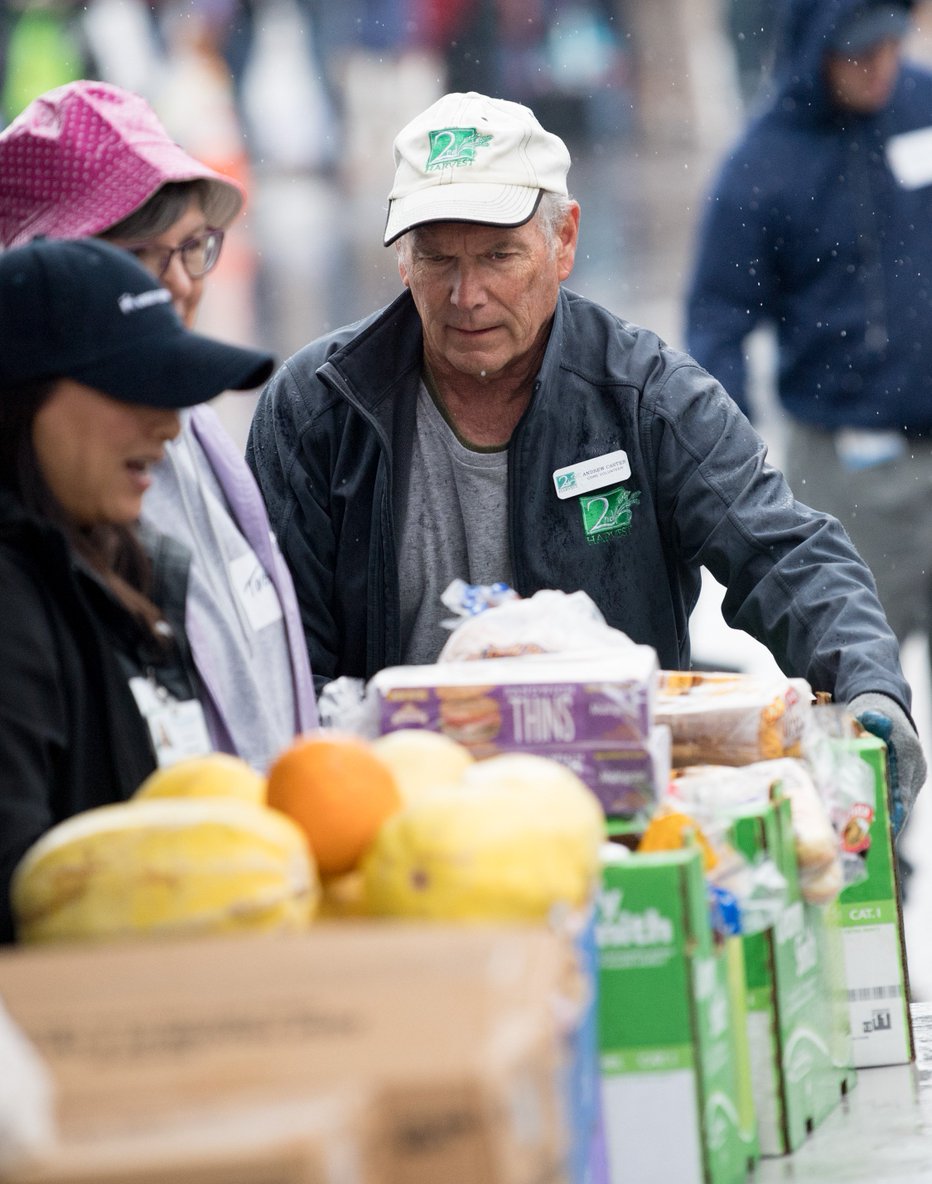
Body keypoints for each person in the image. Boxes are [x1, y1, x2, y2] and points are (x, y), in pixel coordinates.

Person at [246, 88, 926, 835]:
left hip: (611, 819)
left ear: (564, 241)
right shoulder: (317, 412)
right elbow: (274, 656)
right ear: (402, 258)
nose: (466, 295)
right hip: (387, 824)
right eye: (438, 258)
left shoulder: (643, 397)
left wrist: (870, 690)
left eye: (500, 255)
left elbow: (783, 551)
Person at [0, 80, 318, 772]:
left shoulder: (195, 426)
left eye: (193, 246)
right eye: (140, 255)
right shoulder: (57, 488)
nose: (177, 283)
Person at [0, 237, 275, 941]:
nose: (169, 426)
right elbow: (27, 900)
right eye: (132, 388)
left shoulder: (130, 571)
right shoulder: (14, 603)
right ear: (24, 399)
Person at [685, 0, 932, 695]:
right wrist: (721, 464)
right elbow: (717, 321)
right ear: (815, 47)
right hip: (846, 474)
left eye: (889, 45)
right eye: (859, 51)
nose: (880, 66)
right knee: (855, 698)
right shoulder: (763, 164)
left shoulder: (924, 107)